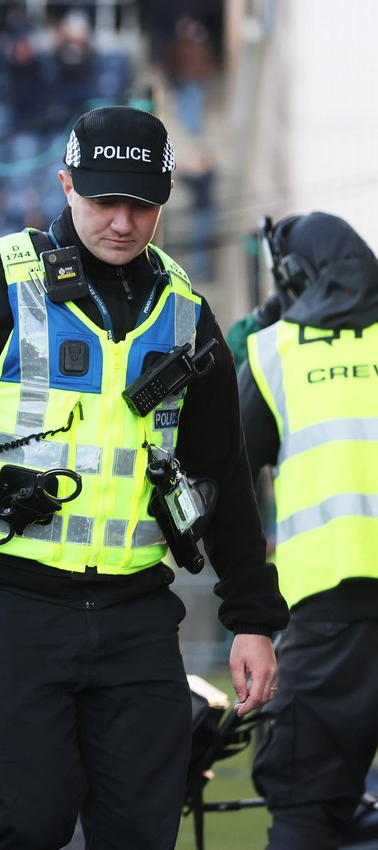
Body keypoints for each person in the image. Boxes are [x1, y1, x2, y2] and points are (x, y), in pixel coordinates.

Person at [0, 105, 289, 850]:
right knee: (23, 827)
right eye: (105, 201)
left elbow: (219, 470)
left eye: (142, 206)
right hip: (9, 603)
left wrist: (253, 619)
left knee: (141, 834)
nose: (124, 223)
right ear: (66, 184)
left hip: (135, 613)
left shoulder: (186, 313)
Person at [240, 213, 378, 850]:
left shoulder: (275, 353)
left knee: (305, 800)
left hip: (326, 612)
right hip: (329, 614)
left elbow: (224, 471)